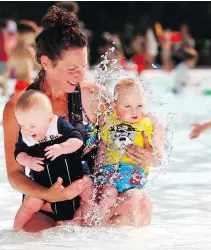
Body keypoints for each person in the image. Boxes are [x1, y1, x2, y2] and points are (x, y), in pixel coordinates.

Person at [3, 6, 164, 232]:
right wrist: (48, 194)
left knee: (140, 203)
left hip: (95, 208)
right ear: (47, 62)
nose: (80, 76)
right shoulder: (18, 107)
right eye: (71, 69)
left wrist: (151, 157)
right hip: (46, 204)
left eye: (83, 66)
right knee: (30, 238)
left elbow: (134, 130)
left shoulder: (93, 97)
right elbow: (14, 174)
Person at [13, 90, 94, 231]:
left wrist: (62, 147)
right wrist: (29, 161)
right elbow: (18, 154)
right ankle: (16, 231)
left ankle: (82, 224)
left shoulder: (59, 125)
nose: (27, 130)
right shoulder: (26, 135)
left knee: (88, 191)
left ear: (49, 119)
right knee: (30, 203)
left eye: (32, 126)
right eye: (22, 125)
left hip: (73, 181)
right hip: (45, 189)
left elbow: (78, 140)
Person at [95, 79, 155, 224]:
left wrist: (148, 152)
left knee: (135, 200)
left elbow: (152, 151)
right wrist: (98, 167)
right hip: (111, 174)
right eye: (127, 106)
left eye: (139, 105)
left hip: (133, 177)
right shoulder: (110, 122)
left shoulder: (146, 124)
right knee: (108, 194)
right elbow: (103, 146)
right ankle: (98, 223)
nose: (135, 111)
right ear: (115, 107)